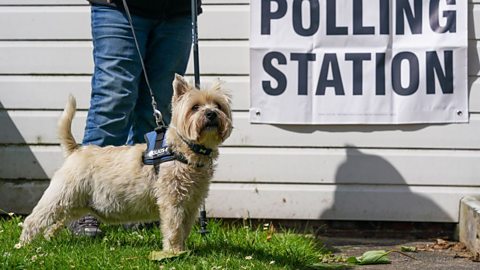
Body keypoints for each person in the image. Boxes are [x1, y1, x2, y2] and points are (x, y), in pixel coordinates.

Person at [70, 0, 202, 237]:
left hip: (177, 10)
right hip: (118, 8)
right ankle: (84, 203)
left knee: (158, 109)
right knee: (113, 101)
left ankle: (145, 205)